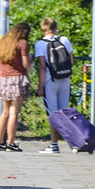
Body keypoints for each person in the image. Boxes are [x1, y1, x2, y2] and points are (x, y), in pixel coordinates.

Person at [0, 22, 31, 152]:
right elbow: (25, 64)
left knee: (5, 112)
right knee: (14, 112)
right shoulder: (22, 43)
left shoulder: (2, 43)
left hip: (3, 78)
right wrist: (30, 60)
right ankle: (11, 143)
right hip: (17, 78)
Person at [35, 17, 74, 153]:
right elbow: (71, 60)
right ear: (55, 28)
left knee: (54, 114)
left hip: (50, 81)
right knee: (65, 112)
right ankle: (75, 142)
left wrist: (40, 86)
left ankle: (54, 145)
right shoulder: (64, 40)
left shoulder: (40, 44)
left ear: (43, 29)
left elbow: (41, 66)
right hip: (65, 79)